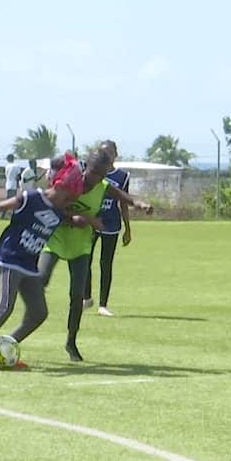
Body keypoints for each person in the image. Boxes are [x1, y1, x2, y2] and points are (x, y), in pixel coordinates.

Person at [0, 154, 86, 372]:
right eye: (68, 197)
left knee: (39, 313)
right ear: (59, 186)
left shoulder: (59, 212)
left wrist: (78, 221)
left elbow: (66, 218)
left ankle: (3, 348)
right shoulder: (30, 197)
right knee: (5, 307)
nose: (69, 202)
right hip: (10, 259)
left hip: (29, 265)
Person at [39, 150, 153, 361]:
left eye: (101, 174)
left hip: (81, 246)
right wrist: (76, 219)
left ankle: (71, 342)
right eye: (93, 173)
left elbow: (124, 197)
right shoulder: (70, 182)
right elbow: (51, 208)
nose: (96, 178)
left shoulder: (103, 187)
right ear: (86, 169)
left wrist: (140, 203)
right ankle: (29, 323)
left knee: (77, 296)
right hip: (55, 241)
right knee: (39, 281)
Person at [84, 140, 132, 317]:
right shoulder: (92, 173)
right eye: (103, 152)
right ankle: (86, 297)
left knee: (106, 263)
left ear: (115, 154)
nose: (106, 155)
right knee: (85, 259)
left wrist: (128, 228)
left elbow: (124, 203)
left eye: (109, 152)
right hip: (92, 221)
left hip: (111, 224)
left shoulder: (122, 176)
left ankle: (103, 304)